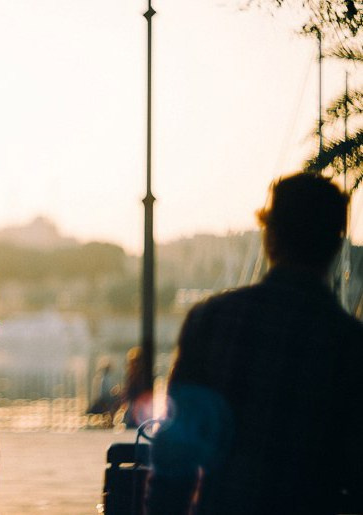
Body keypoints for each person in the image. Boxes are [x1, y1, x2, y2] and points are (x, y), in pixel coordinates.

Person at [145, 172, 363, 515]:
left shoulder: (211, 321)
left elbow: (177, 455)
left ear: (270, 237)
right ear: (336, 246)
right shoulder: (349, 344)